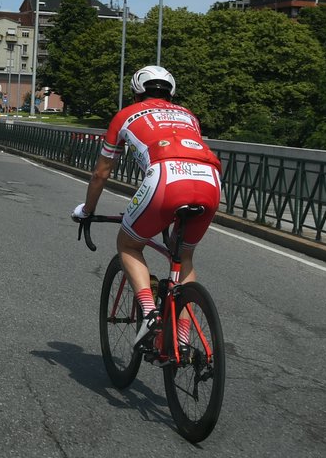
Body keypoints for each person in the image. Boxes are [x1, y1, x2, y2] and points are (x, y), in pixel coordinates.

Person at [73, 65, 222, 347]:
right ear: (172, 92)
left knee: (129, 245)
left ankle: (150, 314)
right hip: (210, 180)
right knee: (184, 257)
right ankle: (182, 339)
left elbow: (101, 173)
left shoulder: (125, 115)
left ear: (136, 91)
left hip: (166, 178)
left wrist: (88, 211)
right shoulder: (189, 115)